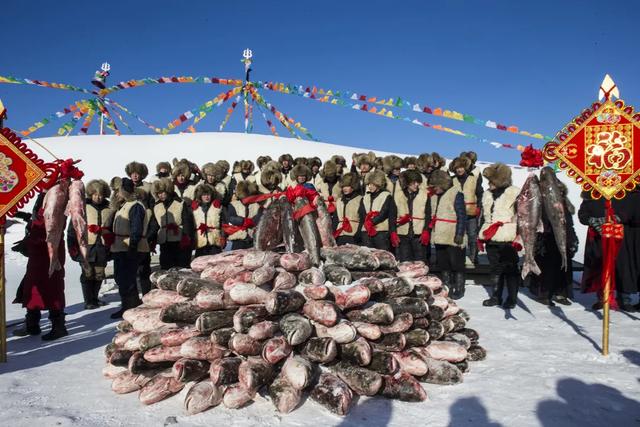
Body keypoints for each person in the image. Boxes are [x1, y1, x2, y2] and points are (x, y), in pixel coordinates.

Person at [13, 191, 68, 339]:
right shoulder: (44, 196)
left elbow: (50, 225)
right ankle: (32, 324)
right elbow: (38, 219)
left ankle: (58, 326)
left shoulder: (58, 196)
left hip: (49, 249)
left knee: (52, 287)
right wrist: (27, 218)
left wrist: (29, 241)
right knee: (32, 286)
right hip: (38, 252)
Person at [533, 171, 579, 306]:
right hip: (545, 234)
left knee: (562, 264)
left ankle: (561, 292)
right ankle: (545, 293)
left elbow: (568, 220)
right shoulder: (537, 192)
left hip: (562, 232)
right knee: (547, 265)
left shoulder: (559, 193)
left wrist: (572, 237)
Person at [67, 179, 114, 309]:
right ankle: (88, 301)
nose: (98, 197)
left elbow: (113, 228)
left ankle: (95, 297)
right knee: (87, 273)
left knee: (99, 274)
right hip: (86, 246)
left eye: (100, 194)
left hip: (103, 247)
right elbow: (73, 229)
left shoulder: (109, 208)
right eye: (95, 194)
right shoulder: (82, 208)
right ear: (90, 194)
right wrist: (72, 248)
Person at [479, 163, 521, 309]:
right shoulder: (487, 194)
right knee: (495, 269)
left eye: (491, 181)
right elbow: (484, 216)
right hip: (491, 236)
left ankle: (511, 298)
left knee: (510, 269)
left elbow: (522, 215)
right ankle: (496, 297)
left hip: (507, 236)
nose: (489, 184)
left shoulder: (514, 193)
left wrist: (519, 235)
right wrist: (481, 234)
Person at [109, 177, 150, 319]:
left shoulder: (136, 206)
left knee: (128, 279)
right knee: (121, 278)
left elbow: (136, 228)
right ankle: (127, 305)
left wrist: (132, 246)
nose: (117, 194)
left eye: (119, 191)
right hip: (120, 247)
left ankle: (130, 307)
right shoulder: (125, 206)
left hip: (130, 248)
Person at [427, 170, 466, 299]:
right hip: (440, 235)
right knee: (443, 263)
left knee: (456, 263)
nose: (434, 189)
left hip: (452, 234)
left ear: (442, 184)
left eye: (435, 186)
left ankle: (459, 287)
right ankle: (446, 286)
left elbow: (462, 215)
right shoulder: (435, 196)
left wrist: (459, 233)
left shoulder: (456, 194)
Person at [148, 178, 195, 270]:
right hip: (164, 242)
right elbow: (155, 224)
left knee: (181, 266)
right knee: (166, 266)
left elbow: (187, 221)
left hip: (179, 240)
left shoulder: (180, 203)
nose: (161, 195)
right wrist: (150, 238)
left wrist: (187, 237)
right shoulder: (156, 206)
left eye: (162, 192)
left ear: (168, 191)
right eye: (158, 193)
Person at [450, 156, 483, 265]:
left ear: (465, 167)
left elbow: (479, 194)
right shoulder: (452, 180)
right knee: (459, 236)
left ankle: (473, 258)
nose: (459, 170)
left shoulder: (473, 178)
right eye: (457, 168)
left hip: (471, 212)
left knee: (472, 236)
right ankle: (459, 258)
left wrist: (478, 207)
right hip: (457, 214)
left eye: (461, 167)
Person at [395, 170, 430, 262]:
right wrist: (393, 231)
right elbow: (393, 213)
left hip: (418, 235)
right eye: (413, 182)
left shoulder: (425, 195)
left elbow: (428, 214)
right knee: (405, 263)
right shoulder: (398, 195)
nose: (416, 185)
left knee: (420, 262)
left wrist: (426, 230)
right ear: (407, 183)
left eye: (417, 182)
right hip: (403, 234)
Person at [358, 170, 397, 251]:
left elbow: (384, 212)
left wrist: (371, 222)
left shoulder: (386, 196)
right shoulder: (365, 197)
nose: (370, 186)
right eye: (369, 184)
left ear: (379, 184)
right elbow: (362, 213)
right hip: (366, 231)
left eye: (373, 184)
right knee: (368, 257)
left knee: (382, 256)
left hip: (381, 231)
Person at [192, 183, 226, 256]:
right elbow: (191, 225)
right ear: (200, 196)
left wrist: (223, 237)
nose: (206, 197)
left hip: (215, 240)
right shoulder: (194, 209)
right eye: (204, 195)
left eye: (208, 194)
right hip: (200, 241)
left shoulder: (218, 207)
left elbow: (223, 223)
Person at [225, 181, 262, 249]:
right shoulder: (233, 205)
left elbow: (258, 219)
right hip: (237, 239)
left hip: (252, 239)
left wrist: (251, 222)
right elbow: (230, 219)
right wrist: (242, 221)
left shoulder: (256, 205)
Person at [332, 172, 362, 245]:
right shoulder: (339, 201)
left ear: (353, 186)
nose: (344, 188)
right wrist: (333, 233)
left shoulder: (360, 200)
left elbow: (363, 219)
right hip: (340, 234)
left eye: (347, 186)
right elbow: (335, 220)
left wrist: (359, 233)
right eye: (343, 186)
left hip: (354, 234)